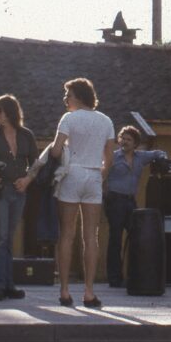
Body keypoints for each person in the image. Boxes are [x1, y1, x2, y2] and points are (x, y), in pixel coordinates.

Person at [50, 77, 116, 308]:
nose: (65, 99)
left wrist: (64, 151)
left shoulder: (68, 118)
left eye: (68, 94)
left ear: (78, 96)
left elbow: (56, 150)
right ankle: (89, 291)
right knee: (91, 235)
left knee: (67, 234)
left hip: (72, 173)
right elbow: (110, 155)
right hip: (94, 175)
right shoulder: (106, 120)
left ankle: (65, 290)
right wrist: (102, 174)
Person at [0, 94, 39, 301]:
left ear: (10, 112)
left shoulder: (26, 135)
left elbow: (36, 163)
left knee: (9, 238)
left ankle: (9, 284)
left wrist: (27, 179)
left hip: (19, 192)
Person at [103, 125, 167, 287]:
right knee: (115, 238)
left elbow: (158, 153)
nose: (124, 142)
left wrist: (162, 158)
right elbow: (101, 175)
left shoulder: (140, 157)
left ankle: (135, 274)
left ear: (135, 143)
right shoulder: (113, 157)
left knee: (137, 237)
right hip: (115, 200)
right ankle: (114, 277)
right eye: (122, 138)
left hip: (130, 201)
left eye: (128, 139)